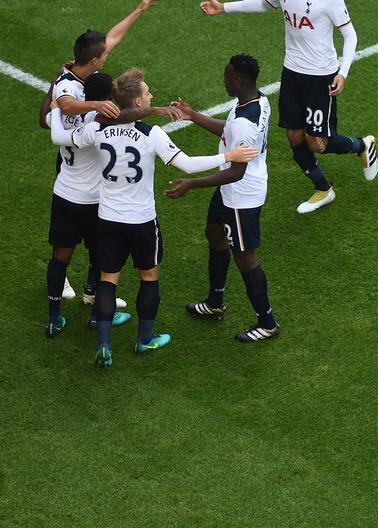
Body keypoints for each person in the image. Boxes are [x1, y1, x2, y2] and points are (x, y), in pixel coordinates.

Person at [48, 68, 258, 367]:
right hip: (142, 221)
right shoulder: (152, 134)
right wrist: (229, 157)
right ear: (136, 102)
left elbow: (62, 137)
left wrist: (56, 109)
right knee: (149, 277)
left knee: (108, 280)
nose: (151, 97)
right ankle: (145, 339)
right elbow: (186, 164)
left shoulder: (97, 131)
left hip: (107, 219)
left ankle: (105, 346)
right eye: (147, 94)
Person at [40, 0, 180, 336]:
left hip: (65, 190)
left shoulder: (71, 86)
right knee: (101, 258)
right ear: (94, 61)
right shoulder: (89, 111)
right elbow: (71, 104)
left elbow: (54, 118)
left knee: (61, 254)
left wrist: (140, 9)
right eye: (104, 56)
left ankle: (54, 315)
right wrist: (103, 106)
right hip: (93, 198)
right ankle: (94, 308)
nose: (108, 55)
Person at [199, 0, 378, 214]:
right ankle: (323, 189)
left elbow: (350, 34)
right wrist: (224, 7)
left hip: (320, 77)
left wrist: (343, 72)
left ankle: (363, 145)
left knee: (317, 143)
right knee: (293, 136)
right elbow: (266, 4)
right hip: (292, 72)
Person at [165, 54, 281, 342]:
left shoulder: (245, 122)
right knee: (214, 235)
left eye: (227, 77)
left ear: (239, 81)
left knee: (245, 257)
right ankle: (215, 303)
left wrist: (192, 183)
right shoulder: (257, 100)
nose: (224, 80)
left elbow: (236, 172)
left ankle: (267, 322)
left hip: (241, 197)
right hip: (229, 192)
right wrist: (193, 116)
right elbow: (228, 131)